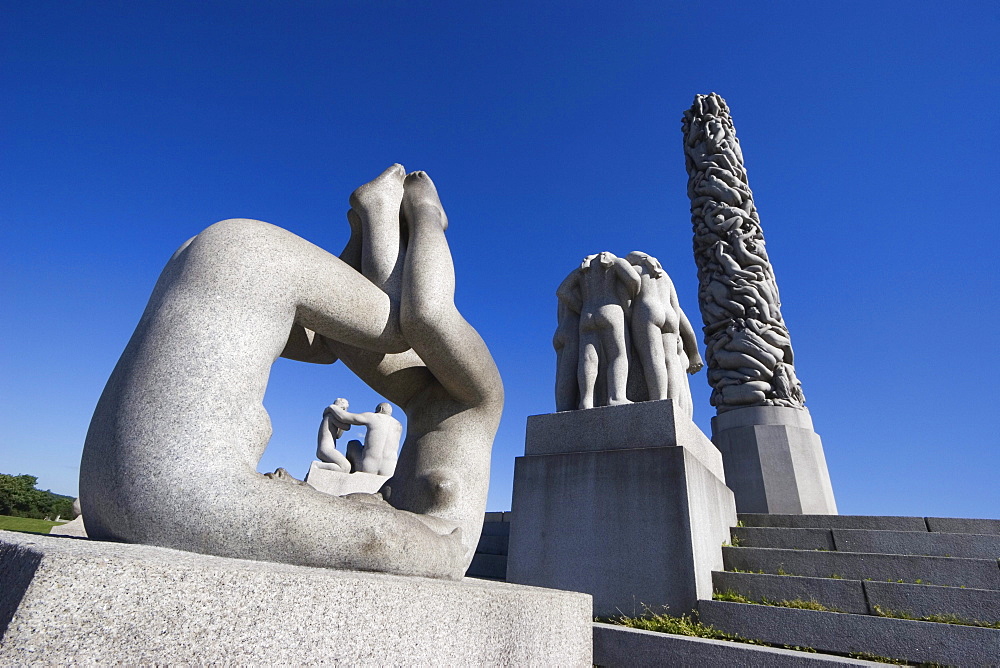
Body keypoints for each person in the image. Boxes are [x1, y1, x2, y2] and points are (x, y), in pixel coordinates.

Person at [80, 165, 503, 580]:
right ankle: (379, 214)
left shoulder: (481, 400)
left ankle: (380, 215)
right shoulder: (430, 399)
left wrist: (422, 216)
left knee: (391, 325)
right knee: (382, 325)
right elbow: (350, 334)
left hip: (436, 547)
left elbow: (417, 320)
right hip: (153, 488)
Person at [625, 251, 703, 418]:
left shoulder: (636, 271)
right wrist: (694, 351)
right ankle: (673, 403)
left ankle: (659, 400)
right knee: (671, 360)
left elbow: (626, 303)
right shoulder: (664, 276)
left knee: (653, 357)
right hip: (670, 315)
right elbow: (677, 309)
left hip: (648, 310)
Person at [325, 401, 402, 477]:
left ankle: (349, 473)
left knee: (353, 443)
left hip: (368, 468)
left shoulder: (373, 416)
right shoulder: (399, 426)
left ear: (380, 409)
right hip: (389, 472)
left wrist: (332, 407)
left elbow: (344, 417)